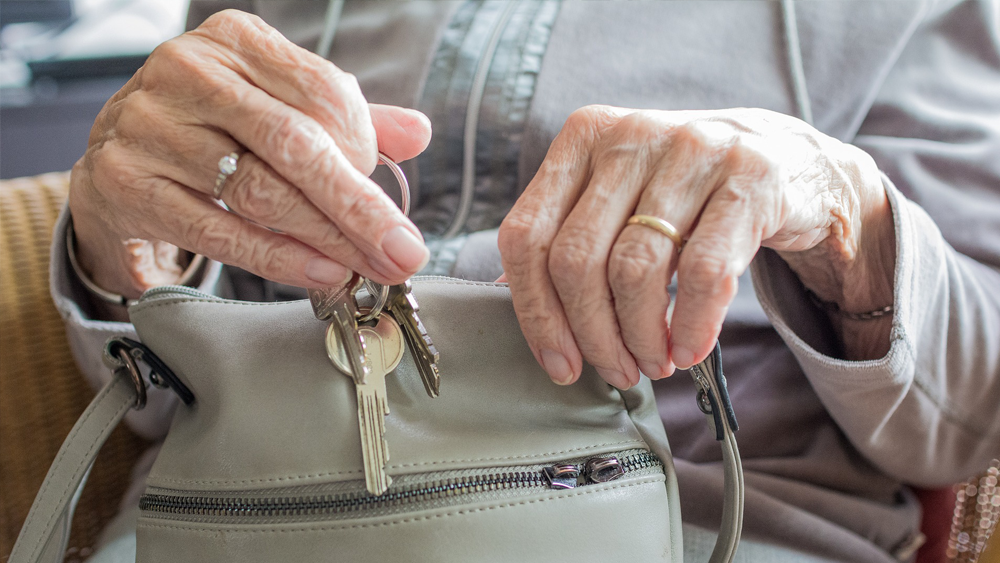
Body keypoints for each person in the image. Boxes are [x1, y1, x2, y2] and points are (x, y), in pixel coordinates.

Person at [49, 1, 999, 561]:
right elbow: (151, 390)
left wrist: (838, 209)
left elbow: (970, 415)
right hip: (232, 516)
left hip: (704, 525)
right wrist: (120, 236)